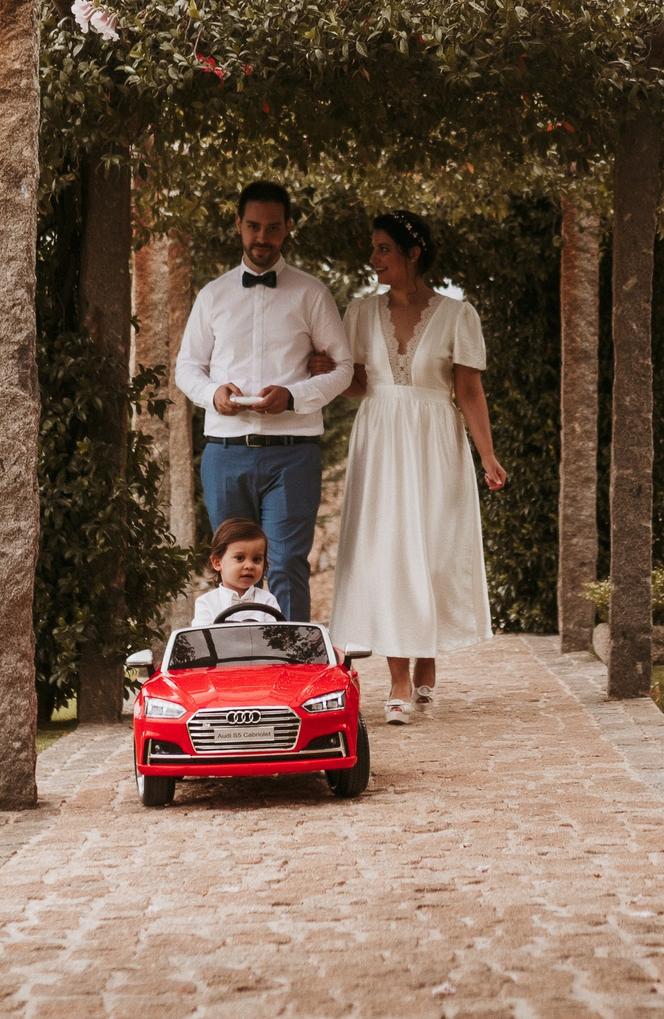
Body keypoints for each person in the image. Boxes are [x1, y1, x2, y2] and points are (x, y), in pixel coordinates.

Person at [329, 209, 507, 725]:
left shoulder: (457, 315)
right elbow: (359, 382)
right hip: (380, 437)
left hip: (434, 438)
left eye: (383, 248)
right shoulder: (360, 312)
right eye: (373, 248)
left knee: (431, 550)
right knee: (387, 552)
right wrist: (330, 374)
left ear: (414, 252)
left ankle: (426, 651)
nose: (374, 258)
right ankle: (400, 678)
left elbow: (469, 390)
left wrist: (487, 455)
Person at [173, 180, 350, 621]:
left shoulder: (312, 293)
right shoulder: (212, 295)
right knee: (232, 567)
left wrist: (292, 397)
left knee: (288, 563)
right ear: (239, 224)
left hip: (292, 454)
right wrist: (214, 394)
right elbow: (186, 368)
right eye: (253, 226)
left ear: (287, 228)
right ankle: (236, 670)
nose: (262, 238)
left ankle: (290, 670)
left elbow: (344, 367)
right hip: (225, 453)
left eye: (273, 228)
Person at [190, 518, 284, 625]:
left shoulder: (267, 600)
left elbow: (276, 636)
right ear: (217, 562)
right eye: (240, 558)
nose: (249, 566)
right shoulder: (206, 602)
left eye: (256, 559)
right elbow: (201, 638)